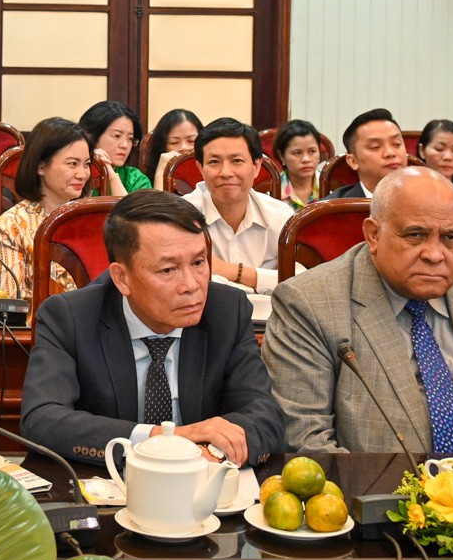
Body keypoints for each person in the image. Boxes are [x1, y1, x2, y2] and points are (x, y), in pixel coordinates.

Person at [264, 167, 453, 456]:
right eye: (415, 235)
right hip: (380, 505)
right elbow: (305, 443)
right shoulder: (309, 303)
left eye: (450, 238)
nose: (435, 254)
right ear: (373, 235)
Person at [22, 191, 284, 466]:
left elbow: (265, 416)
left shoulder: (227, 310)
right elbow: (42, 418)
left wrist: (213, 451)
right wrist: (167, 439)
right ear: (122, 278)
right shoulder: (70, 317)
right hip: (107, 486)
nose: (192, 285)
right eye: (168, 270)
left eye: (198, 263)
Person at [0, 117, 93, 301]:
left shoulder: (92, 222)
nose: (82, 174)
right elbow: (15, 301)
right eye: (72, 164)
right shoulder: (10, 225)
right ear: (41, 166)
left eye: (87, 164)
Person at [182, 118, 293, 293]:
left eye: (237, 161)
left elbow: (302, 279)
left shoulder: (281, 216)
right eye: (214, 162)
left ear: (256, 166)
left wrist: (230, 271)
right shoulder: (182, 217)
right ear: (201, 169)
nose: (226, 172)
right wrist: (263, 279)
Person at [325, 108, 407, 201]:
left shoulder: (425, 198)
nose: (390, 153)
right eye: (375, 146)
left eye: (396, 144)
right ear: (353, 161)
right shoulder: (331, 210)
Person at [79, 101, 152, 195]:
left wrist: (112, 176)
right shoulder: (76, 173)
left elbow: (130, 210)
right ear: (93, 136)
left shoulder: (135, 179)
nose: (125, 145)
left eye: (130, 138)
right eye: (117, 136)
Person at [141, 108, 202, 191]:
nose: (183, 148)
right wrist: (161, 170)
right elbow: (159, 203)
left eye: (191, 141)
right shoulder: (143, 180)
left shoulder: (208, 169)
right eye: (174, 142)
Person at [272, 119, 323, 211]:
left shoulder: (332, 187)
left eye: (312, 151)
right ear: (282, 156)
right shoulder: (271, 190)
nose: (306, 159)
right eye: (297, 153)